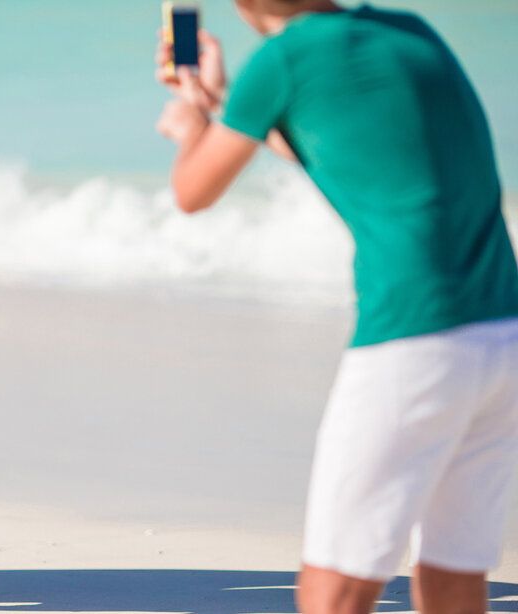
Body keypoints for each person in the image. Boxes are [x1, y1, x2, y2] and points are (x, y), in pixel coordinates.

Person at [155, 2, 518, 612]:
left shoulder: (282, 59)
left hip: (414, 336)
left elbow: (193, 191)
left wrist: (194, 127)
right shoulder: (407, 30)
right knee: (453, 575)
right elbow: (338, 142)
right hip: (502, 331)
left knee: (334, 588)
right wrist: (223, 105)